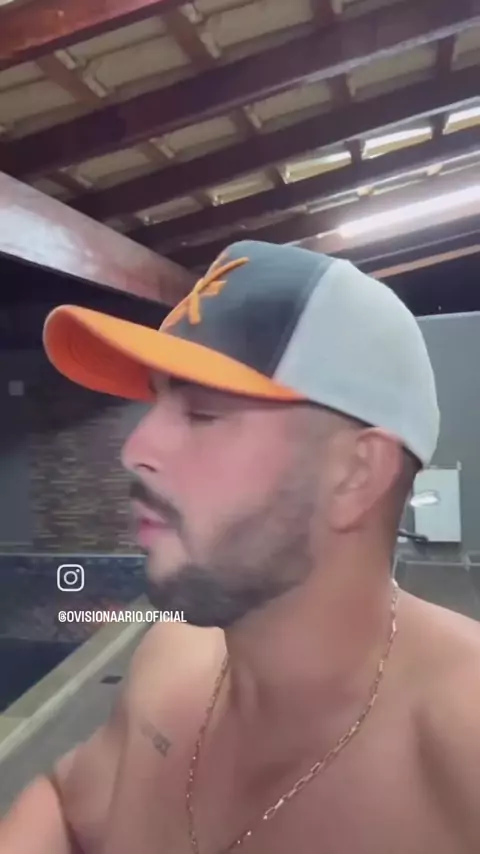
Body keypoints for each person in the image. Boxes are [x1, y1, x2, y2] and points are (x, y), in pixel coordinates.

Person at [1, 241, 479, 854]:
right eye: (157, 402)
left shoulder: (460, 747)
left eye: (202, 413)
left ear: (355, 475)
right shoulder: (173, 664)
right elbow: (65, 799)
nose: (135, 448)